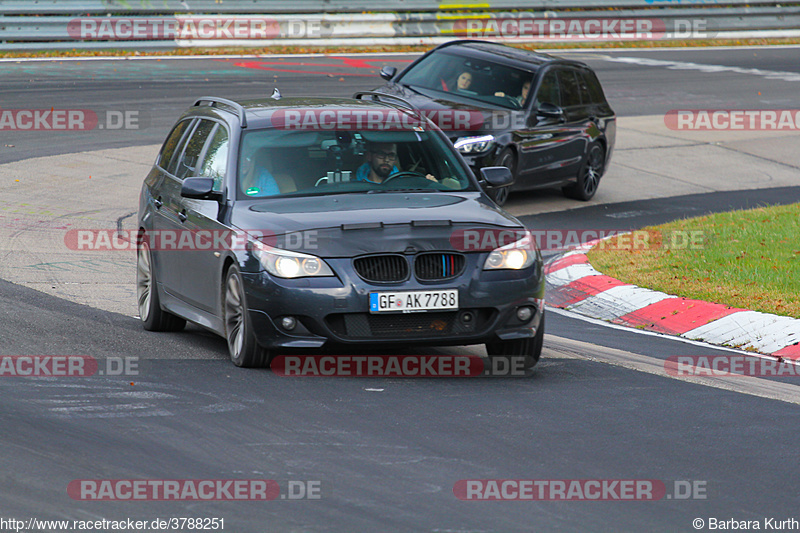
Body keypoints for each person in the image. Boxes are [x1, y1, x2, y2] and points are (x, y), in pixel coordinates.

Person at [356, 142, 436, 184]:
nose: (386, 160)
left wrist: (432, 185)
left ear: (395, 160)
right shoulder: (356, 186)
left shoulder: (405, 185)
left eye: (391, 155)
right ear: (369, 156)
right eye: (381, 154)